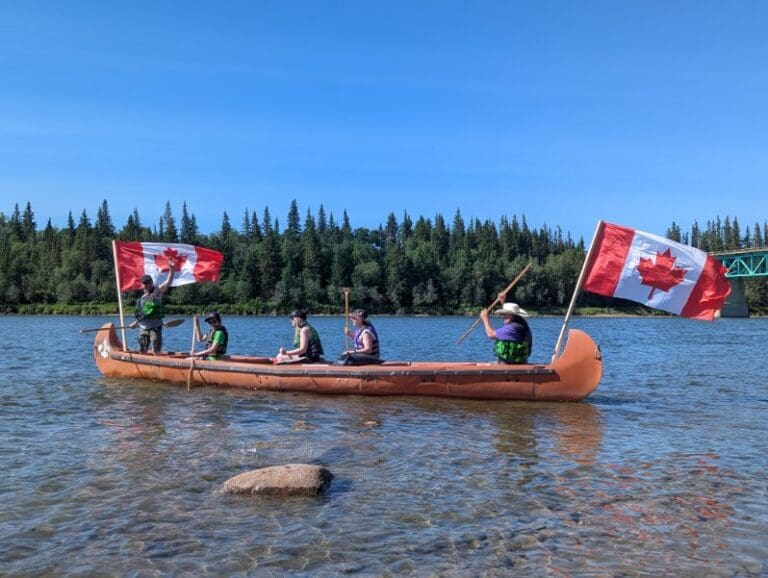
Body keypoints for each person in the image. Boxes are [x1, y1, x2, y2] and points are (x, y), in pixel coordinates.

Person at [128, 263, 175, 354]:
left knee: (156, 351)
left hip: (155, 327)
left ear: (151, 283)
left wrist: (172, 270)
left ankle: (158, 363)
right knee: (142, 350)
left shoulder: (157, 292)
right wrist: (136, 323)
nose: (146, 285)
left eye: (148, 283)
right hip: (143, 328)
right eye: (144, 284)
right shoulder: (142, 297)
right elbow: (142, 313)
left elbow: (167, 282)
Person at [479, 293, 533, 364]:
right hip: (519, 362)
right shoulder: (522, 323)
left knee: (486, 366)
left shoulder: (512, 329)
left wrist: (485, 319)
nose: (503, 317)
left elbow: (491, 334)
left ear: (511, 316)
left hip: (510, 365)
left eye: (505, 315)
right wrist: (502, 302)